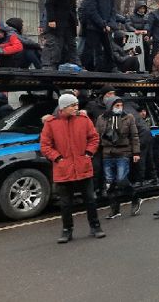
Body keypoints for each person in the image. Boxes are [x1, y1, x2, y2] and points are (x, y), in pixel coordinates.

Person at [40, 93, 105, 243]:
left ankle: (95, 226)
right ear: (63, 107)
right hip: (63, 168)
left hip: (82, 166)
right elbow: (45, 145)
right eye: (73, 105)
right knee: (65, 203)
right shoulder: (51, 123)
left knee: (90, 199)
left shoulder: (83, 120)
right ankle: (66, 230)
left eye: (76, 104)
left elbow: (94, 137)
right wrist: (57, 158)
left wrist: (88, 153)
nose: (77, 107)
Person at [95, 96, 142, 218]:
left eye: (121, 105)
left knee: (121, 179)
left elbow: (134, 136)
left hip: (123, 151)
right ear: (110, 106)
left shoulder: (128, 117)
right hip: (107, 153)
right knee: (110, 182)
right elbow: (96, 136)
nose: (119, 108)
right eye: (117, 106)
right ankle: (115, 209)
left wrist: (136, 153)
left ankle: (135, 198)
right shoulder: (102, 119)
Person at [42, 0, 85, 69]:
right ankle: (48, 66)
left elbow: (73, 7)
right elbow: (49, 4)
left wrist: (75, 22)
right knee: (54, 45)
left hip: (68, 23)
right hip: (57, 22)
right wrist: (51, 20)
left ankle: (76, 65)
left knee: (71, 45)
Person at [79, 0, 117, 71]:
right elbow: (92, 12)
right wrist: (103, 24)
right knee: (89, 48)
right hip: (93, 27)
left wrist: (110, 25)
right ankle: (83, 66)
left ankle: (111, 67)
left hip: (106, 28)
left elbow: (113, 13)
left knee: (108, 48)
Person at [126, 0, 152, 71]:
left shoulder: (146, 17)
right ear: (137, 8)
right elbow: (128, 25)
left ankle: (145, 69)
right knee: (134, 54)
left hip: (143, 39)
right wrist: (134, 30)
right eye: (141, 8)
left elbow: (148, 26)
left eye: (144, 8)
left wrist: (146, 34)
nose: (142, 10)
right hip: (133, 40)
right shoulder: (130, 16)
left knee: (146, 54)